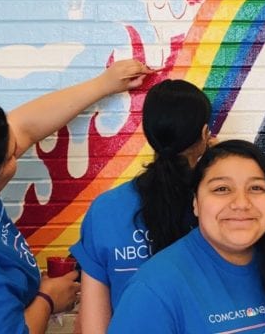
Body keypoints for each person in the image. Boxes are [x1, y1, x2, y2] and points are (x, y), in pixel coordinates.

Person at [0, 59, 150, 334]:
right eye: (11, 154)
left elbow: (24, 126)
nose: (19, 148)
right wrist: (47, 300)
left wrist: (104, 84)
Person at [108, 140, 265, 333]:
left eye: (256, 188)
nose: (241, 203)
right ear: (196, 203)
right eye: (222, 189)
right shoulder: (154, 289)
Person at [69, 79, 212, 333]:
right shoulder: (218, 207)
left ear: (148, 134)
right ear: (204, 134)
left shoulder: (105, 209)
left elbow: (94, 324)